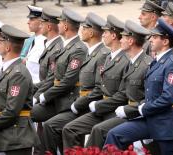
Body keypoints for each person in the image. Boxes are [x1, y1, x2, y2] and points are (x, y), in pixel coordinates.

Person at [104, 18, 173, 155]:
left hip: (167, 123)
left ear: (165, 41)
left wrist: (143, 108)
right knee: (115, 135)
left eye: (155, 37)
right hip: (151, 118)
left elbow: (168, 98)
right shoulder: (157, 61)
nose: (151, 40)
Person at [83, 19, 152, 149]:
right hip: (124, 110)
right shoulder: (132, 62)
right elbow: (124, 91)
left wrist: (127, 109)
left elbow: (149, 98)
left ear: (131, 41)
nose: (120, 40)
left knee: (100, 130)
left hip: (136, 114)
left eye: (124, 38)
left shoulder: (146, 65)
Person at [32, 9, 88, 155]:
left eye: (61, 22)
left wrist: (44, 96)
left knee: (51, 127)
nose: (59, 25)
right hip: (57, 99)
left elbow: (68, 81)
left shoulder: (79, 49)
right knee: (26, 113)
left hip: (68, 102)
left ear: (66, 26)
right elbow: (52, 77)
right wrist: (32, 91)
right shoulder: (64, 46)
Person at [61, 12, 110, 152]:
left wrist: (79, 103)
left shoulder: (102, 55)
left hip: (90, 105)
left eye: (84, 28)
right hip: (82, 102)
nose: (80, 30)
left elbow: (99, 88)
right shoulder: (91, 52)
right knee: (58, 126)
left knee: (68, 128)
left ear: (92, 32)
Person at [0, 24, 39, 155]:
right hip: (6, 135)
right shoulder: (9, 69)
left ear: (8, 47)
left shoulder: (18, 74)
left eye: (1, 41)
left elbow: (11, 111)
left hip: (15, 139)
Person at [30, 7, 63, 155]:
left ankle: (34, 149)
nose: (40, 26)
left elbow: (51, 79)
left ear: (49, 26)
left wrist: (36, 96)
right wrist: (30, 89)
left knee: (24, 113)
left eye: (42, 23)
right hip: (48, 94)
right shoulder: (48, 44)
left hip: (55, 100)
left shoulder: (57, 47)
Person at [24, 5, 46, 84]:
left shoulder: (44, 43)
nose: (28, 22)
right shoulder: (34, 40)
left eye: (32, 19)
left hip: (37, 89)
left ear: (40, 23)